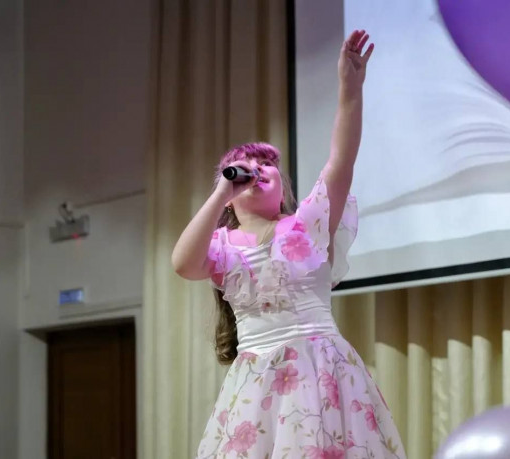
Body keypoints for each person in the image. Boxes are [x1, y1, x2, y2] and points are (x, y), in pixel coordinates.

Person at [172, 29, 405, 458]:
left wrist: (350, 89)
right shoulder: (222, 246)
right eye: (244, 166)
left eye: (266, 164)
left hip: (321, 371)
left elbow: (342, 159)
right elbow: (183, 263)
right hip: (256, 383)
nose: (257, 169)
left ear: (283, 186)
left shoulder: (308, 224)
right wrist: (221, 193)